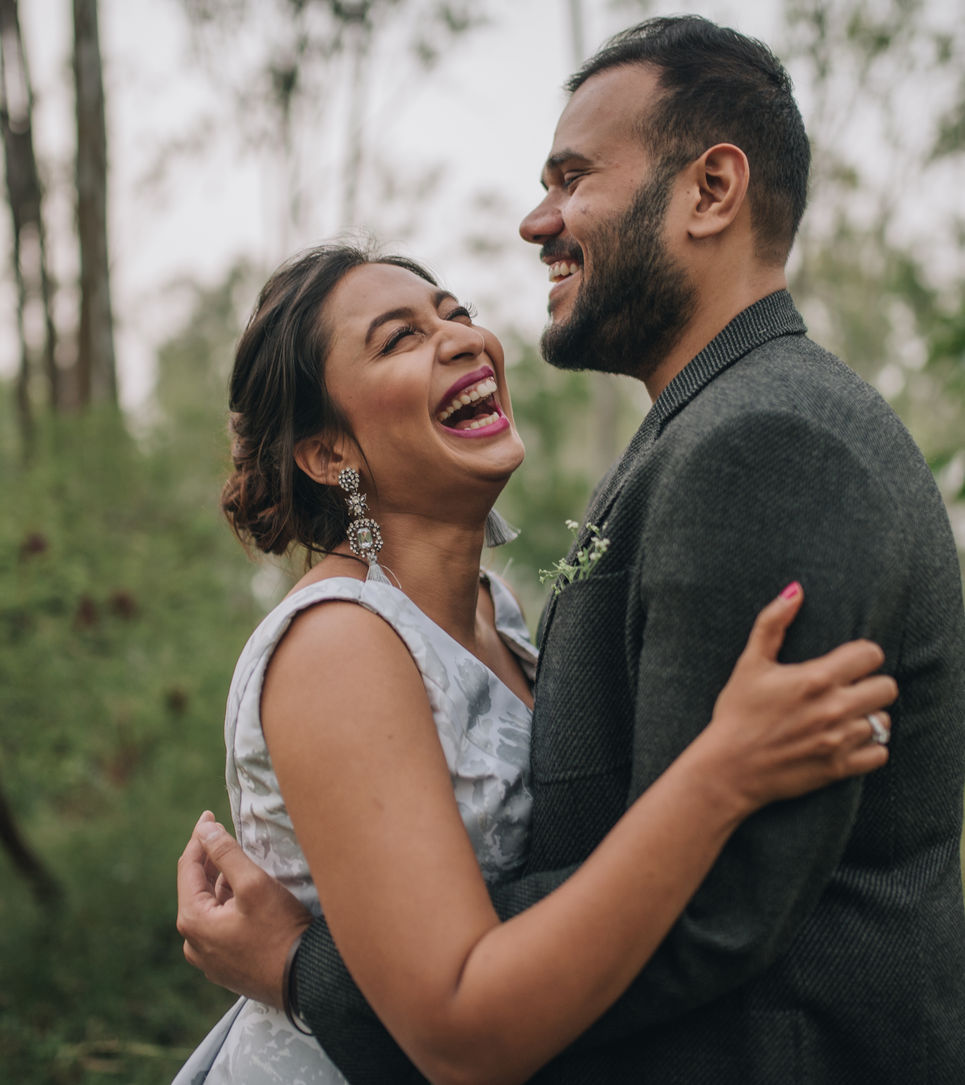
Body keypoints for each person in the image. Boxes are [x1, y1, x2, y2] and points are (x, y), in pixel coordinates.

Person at [178, 14, 965, 1084]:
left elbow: (707, 918)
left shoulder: (756, 444)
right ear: (327, 450)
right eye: (400, 336)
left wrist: (306, 969)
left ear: (710, 190)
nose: (531, 221)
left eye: (571, 175)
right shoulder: (349, 638)